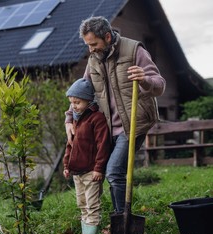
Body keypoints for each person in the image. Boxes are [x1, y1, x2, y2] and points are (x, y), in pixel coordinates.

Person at [65, 16, 166, 214]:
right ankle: (117, 220)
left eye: (94, 44)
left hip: (132, 124)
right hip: (106, 127)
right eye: (88, 45)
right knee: (104, 171)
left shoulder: (134, 50)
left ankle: (121, 219)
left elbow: (160, 84)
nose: (91, 49)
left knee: (114, 171)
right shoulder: (93, 59)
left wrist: (145, 80)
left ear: (108, 37)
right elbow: (81, 91)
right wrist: (69, 118)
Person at [63, 78, 111, 234]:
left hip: (91, 172)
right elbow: (70, 144)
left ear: (88, 100)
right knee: (82, 204)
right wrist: (66, 165)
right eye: (71, 103)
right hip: (77, 172)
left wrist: (99, 168)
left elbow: (103, 145)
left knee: (92, 206)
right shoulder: (76, 119)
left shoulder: (96, 119)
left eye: (77, 102)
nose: (73, 106)